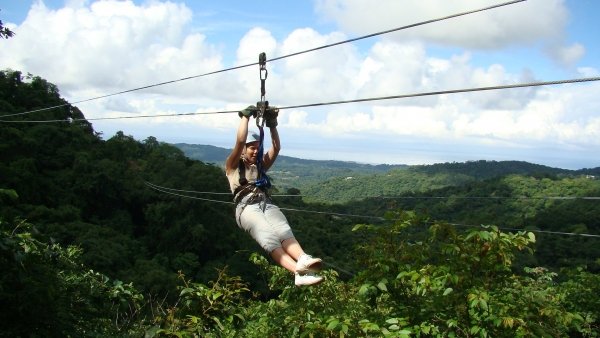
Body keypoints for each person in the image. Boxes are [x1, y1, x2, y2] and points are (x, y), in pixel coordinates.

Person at [225, 106, 323, 286]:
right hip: (246, 207)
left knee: (283, 231)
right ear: (244, 151)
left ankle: (302, 258)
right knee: (268, 237)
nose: (255, 151)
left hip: (265, 203)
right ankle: (298, 273)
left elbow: (276, 148)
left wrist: (272, 124)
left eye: (257, 148)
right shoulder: (232, 166)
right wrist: (245, 118)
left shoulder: (260, 167)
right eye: (251, 148)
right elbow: (239, 141)